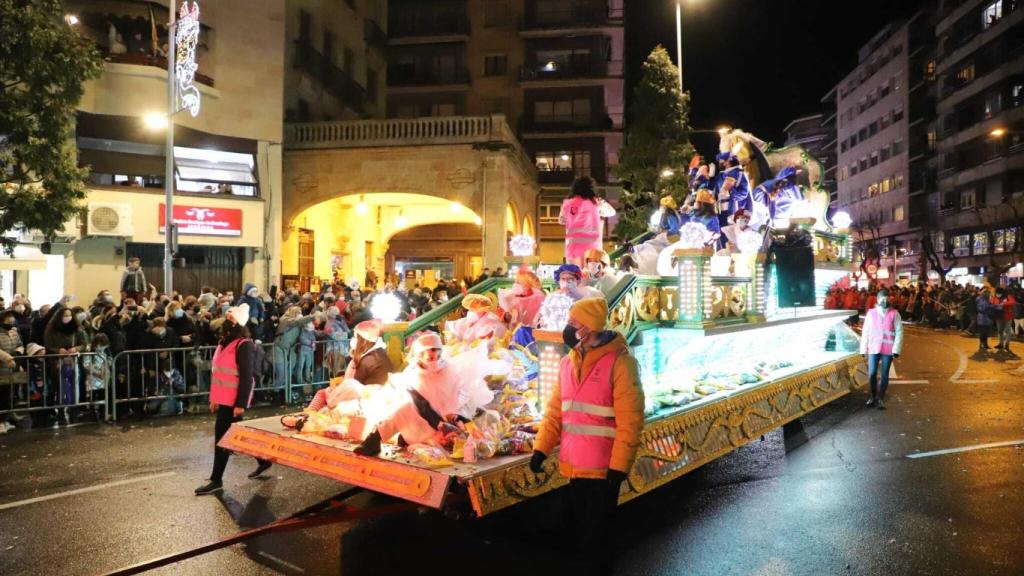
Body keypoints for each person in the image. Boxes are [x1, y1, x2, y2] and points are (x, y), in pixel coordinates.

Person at [529, 297, 645, 576]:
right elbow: (556, 411)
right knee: (579, 536)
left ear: (590, 327)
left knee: (597, 540)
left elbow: (631, 421)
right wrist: (541, 448)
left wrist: (618, 468)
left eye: (574, 324)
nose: (568, 329)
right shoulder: (568, 363)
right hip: (574, 466)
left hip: (603, 470)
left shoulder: (621, 363)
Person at [354, 332, 493, 456]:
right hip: (428, 420)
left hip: (447, 425)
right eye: (429, 354)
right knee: (402, 408)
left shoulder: (449, 371)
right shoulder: (413, 374)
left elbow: (461, 400)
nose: (433, 358)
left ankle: (378, 439)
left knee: (405, 409)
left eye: (435, 353)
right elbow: (420, 404)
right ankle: (374, 439)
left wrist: (452, 419)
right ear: (420, 355)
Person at [195, 304, 272, 495]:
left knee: (223, 439)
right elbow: (219, 374)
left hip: (233, 402)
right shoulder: (224, 343)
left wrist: (240, 403)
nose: (224, 323)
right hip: (224, 400)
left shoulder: (243, 344)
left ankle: (216, 479)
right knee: (239, 438)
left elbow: (246, 377)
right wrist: (214, 399)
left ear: (237, 323)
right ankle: (263, 460)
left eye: (229, 320)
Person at [860, 289, 903, 410]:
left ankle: (880, 398)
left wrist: (896, 349)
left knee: (884, 374)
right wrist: (863, 349)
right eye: (882, 299)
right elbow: (865, 331)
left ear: (890, 299)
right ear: (877, 300)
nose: (885, 301)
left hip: (888, 350)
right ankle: (872, 396)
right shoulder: (871, 313)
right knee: (872, 373)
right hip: (873, 347)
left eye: (887, 298)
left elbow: (899, 332)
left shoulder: (895, 313)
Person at [560, 176, 616, 267]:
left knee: (575, 275)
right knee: (591, 275)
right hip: (593, 247)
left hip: (573, 246)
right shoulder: (596, 203)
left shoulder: (568, 203)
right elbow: (612, 212)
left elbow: (561, 220)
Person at [343, 319, 393, 385]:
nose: (353, 339)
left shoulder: (368, 361)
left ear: (363, 341)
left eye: (355, 337)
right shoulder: (378, 352)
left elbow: (355, 387)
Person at [993, 287, 1017, 355]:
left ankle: (1007, 344)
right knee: (1000, 331)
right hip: (999, 317)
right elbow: (993, 302)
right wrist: (995, 305)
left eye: (999, 293)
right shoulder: (995, 297)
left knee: (1007, 331)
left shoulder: (1008, 296)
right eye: (997, 293)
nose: (998, 295)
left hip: (1007, 316)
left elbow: (1013, 302)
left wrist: (1004, 304)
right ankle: (1000, 344)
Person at [975, 286, 996, 352]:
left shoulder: (985, 299)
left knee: (986, 332)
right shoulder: (981, 299)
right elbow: (982, 308)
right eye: (988, 293)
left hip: (986, 318)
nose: (989, 294)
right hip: (982, 318)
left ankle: (985, 344)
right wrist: (992, 306)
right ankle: (981, 345)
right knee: (982, 332)